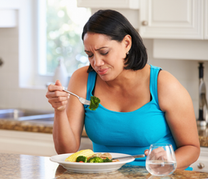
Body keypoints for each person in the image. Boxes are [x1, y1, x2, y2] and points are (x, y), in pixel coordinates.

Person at [46, 9, 200, 170]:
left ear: (126, 43)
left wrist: (169, 161)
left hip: (157, 174)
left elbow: (192, 148)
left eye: (104, 52)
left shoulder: (163, 84)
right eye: (90, 55)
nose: (96, 62)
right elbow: (67, 151)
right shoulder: (82, 79)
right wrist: (60, 110)